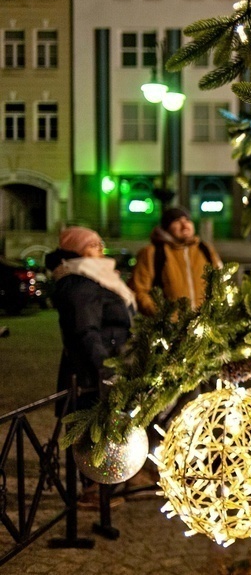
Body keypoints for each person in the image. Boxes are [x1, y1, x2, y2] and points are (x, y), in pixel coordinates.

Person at [46, 226, 137, 509]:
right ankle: (92, 489)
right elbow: (86, 330)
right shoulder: (80, 282)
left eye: (99, 242)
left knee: (104, 425)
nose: (100, 247)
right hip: (91, 369)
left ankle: (103, 485)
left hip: (107, 360)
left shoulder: (97, 277)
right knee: (92, 426)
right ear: (75, 250)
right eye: (91, 244)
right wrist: (106, 366)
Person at [131, 206, 221, 316]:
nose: (184, 225)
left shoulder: (205, 249)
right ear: (166, 228)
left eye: (187, 220)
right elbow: (139, 290)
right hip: (170, 330)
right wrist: (162, 316)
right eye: (177, 221)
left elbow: (220, 284)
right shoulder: (152, 253)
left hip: (205, 326)